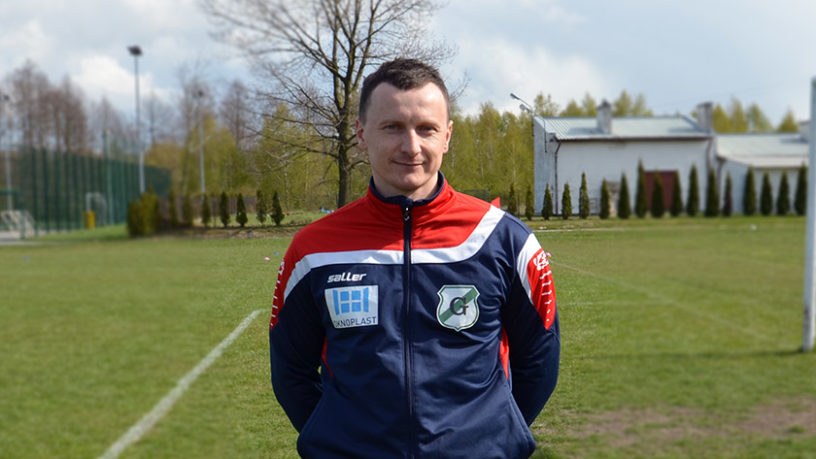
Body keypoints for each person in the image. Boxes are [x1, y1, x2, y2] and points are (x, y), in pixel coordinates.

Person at [269, 58, 560, 458]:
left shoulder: (504, 239)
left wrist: (489, 436)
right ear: (361, 134)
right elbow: (291, 372)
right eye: (392, 127)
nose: (411, 147)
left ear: (447, 136)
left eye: (426, 128)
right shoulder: (313, 248)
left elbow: (539, 360)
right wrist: (340, 436)